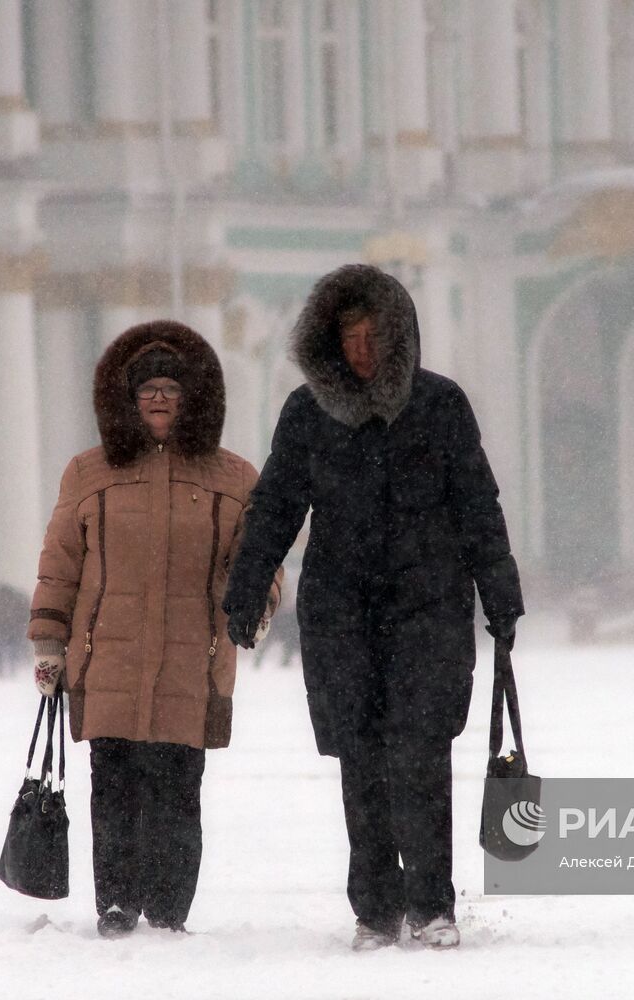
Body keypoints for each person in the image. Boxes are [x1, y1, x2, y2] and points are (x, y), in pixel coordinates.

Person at [221, 264, 524, 952]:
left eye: (373, 334)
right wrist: (245, 588)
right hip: (340, 614)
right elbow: (275, 507)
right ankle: (375, 909)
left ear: (398, 336)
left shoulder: (440, 406)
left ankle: (431, 903)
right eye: (349, 335)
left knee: (420, 754)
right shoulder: (307, 413)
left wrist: (501, 596)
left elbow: (478, 505)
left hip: (429, 607)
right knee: (360, 759)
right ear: (330, 340)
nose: (361, 348)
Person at [28, 321, 278, 937]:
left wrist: (258, 604)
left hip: (193, 657)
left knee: (177, 787)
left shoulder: (234, 477)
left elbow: (257, 562)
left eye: (171, 387)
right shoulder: (88, 473)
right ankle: (115, 903)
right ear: (127, 399)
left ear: (194, 398)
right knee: (113, 785)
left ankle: (168, 908)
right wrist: (48, 643)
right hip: (105, 656)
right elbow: (61, 564)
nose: (160, 398)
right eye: (148, 389)